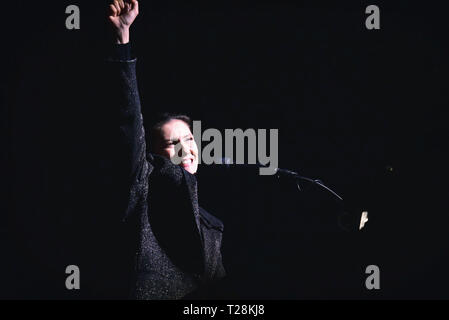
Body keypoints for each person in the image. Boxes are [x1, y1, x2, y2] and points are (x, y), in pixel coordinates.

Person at [103, 0, 226, 299]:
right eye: (173, 143)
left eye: (190, 140)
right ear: (153, 153)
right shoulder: (142, 190)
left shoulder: (212, 227)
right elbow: (129, 120)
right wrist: (122, 40)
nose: (186, 150)